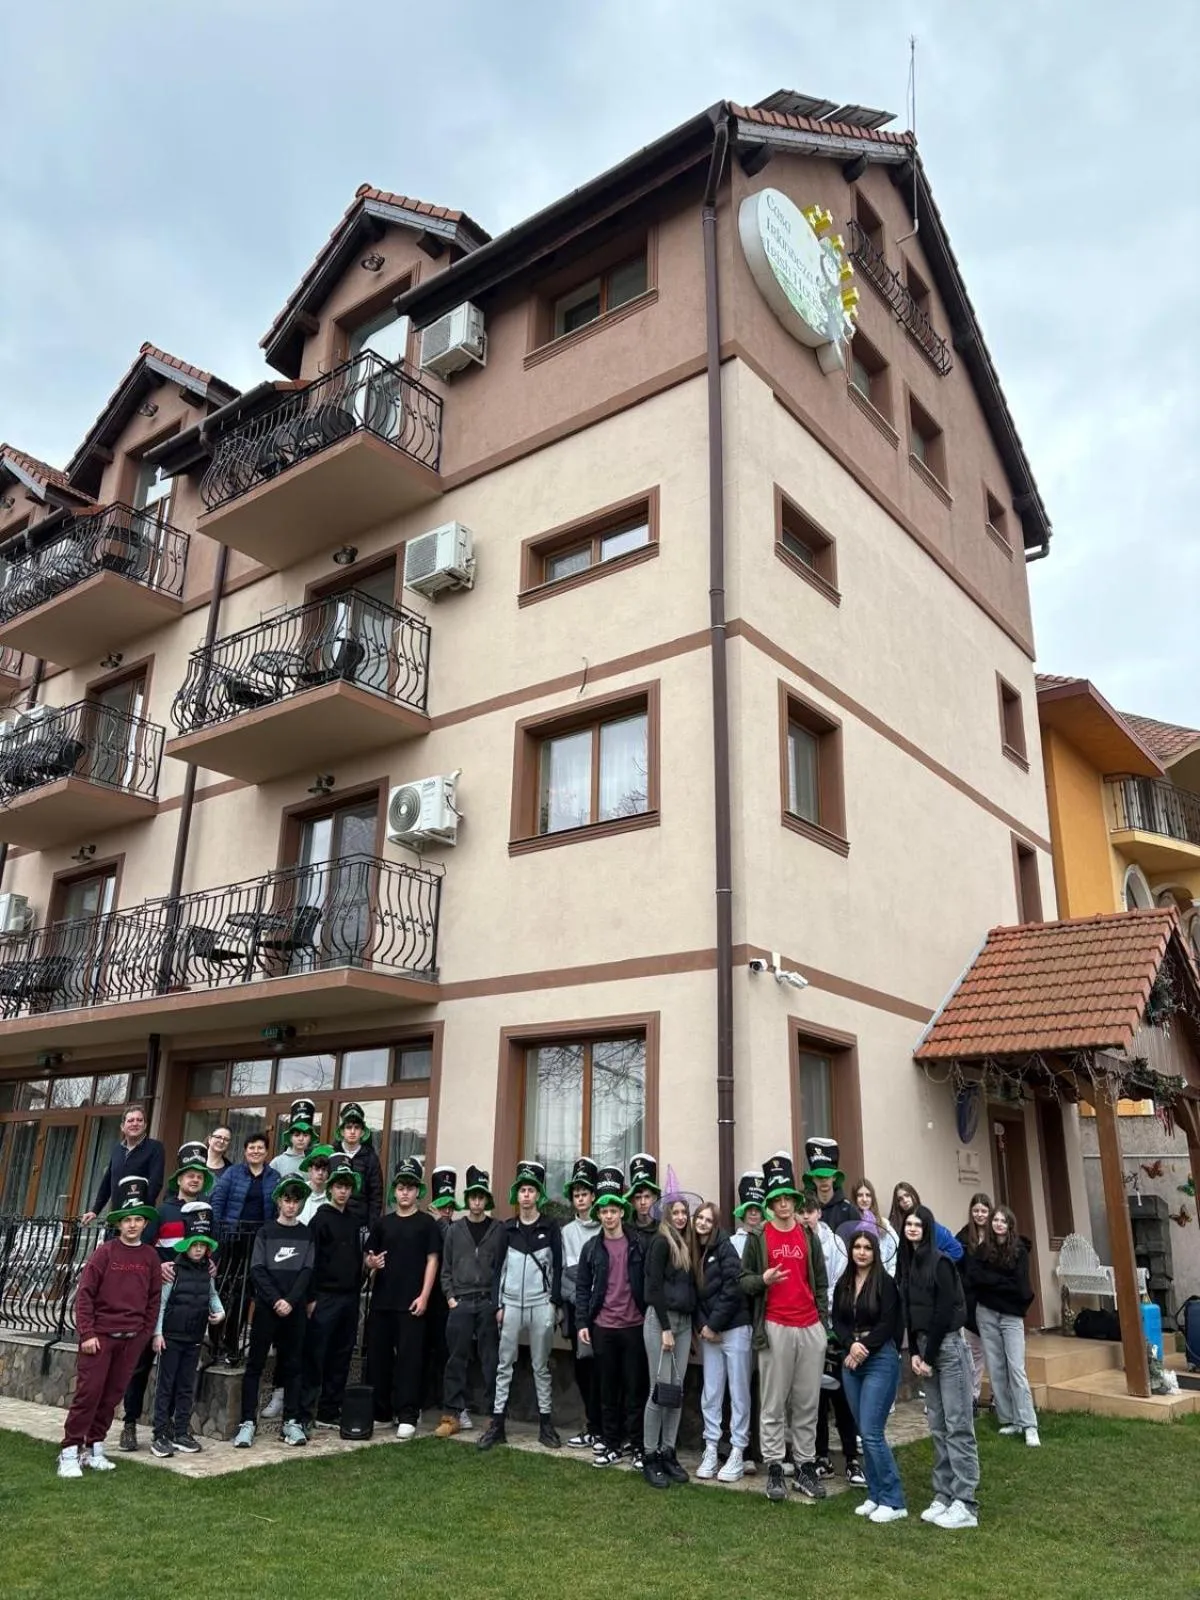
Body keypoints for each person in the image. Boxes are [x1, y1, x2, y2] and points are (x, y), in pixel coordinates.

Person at [739, 1151, 829, 1503]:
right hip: (775, 1325)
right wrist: (762, 1279)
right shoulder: (758, 1237)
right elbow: (743, 1281)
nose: (784, 1204)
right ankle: (775, 1466)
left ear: (794, 1200)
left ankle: (805, 1466)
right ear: (770, 1203)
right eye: (777, 1199)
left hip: (809, 1327)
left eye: (788, 1198)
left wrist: (822, 1323)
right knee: (774, 1403)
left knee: (807, 1402)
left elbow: (820, 1281)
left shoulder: (808, 1236)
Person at [57, 1175, 161, 1479]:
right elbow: (85, 1295)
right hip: (100, 1337)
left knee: (112, 1396)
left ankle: (94, 1447)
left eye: (138, 1219)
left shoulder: (150, 1257)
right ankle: (69, 1451)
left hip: (131, 1339)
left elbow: (153, 1300)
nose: (132, 1225)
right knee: (88, 1394)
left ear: (145, 1223)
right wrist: (87, 1333)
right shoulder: (105, 1252)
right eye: (127, 1219)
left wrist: (143, 1335)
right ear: (118, 1223)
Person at [119, 1140, 213, 1453]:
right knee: (142, 1363)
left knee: (176, 1372)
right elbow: (143, 1248)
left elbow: (208, 1249)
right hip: (157, 1299)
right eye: (189, 1174)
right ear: (179, 1178)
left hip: (187, 1307)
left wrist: (210, 1263)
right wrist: (158, 1267)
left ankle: (171, 1425)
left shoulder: (205, 1213)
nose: (194, 1179)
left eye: (199, 1175)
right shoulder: (162, 1212)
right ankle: (130, 1423)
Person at [899, 1204, 979, 1529]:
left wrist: (929, 1356)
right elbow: (909, 1310)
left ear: (928, 1229)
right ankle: (944, 1494)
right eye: (908, 1224)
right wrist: (915, 1354)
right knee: (937, 1425)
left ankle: (966, 1502)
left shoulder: (941, 1262)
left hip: (947, 1348)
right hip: (924, 1350)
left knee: (958, 1424)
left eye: (918, 1224)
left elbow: (944, 1310)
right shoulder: (907, 1265)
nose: (912, 1228)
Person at [478, 1159, 562, 1453]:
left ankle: (546, 1425)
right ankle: (497, 1425)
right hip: (511, 1303)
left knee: (541, 1366)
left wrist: (553, 1303)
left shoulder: (550, 1227)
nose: (526, 1195)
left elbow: (559, 1268)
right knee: (504, 1365)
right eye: (522, 1190)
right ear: (517, 1194)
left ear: (538, 1194)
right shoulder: (507, 1229)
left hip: (540, 1303)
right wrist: (498, 1304)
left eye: (531, 1190)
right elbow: (497, 1269)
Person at [233, 1175, 315, 1450]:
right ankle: (247, 1422)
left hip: (295, 1309)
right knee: (255, 1364)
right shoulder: (265, 1232)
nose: (291, 1206)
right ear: (279, 1201)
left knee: (293, 1365)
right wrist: (276, 1299)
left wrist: (290, 1301)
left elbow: (307, 1271)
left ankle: (291, 1421)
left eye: (295, 1201)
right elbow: (257, 1269)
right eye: (287, 1200)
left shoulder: (306, 1233)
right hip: (267, 1309)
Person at [575, 1167, 647, 1470]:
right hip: (603, 1327)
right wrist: (582, 1322)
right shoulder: (591, 1248)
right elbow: (582, 1288)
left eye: (613, 1210)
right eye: (604, 1211)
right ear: (599, 1214)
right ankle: (611, 1443)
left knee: (634, 1390)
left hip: (634, 1326)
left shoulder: (638, 1244)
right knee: (607, 1390)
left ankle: (638, 1446)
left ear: (621, 1212)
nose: (608, 1216)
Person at [365, 1157, 442, 1438]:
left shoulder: (427, 1224)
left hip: (412, 1303)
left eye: (410, 1188)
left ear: (417, 1191)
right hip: (383, 1301)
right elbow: (369, 1257)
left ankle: (408, 1414)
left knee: (410, 1360)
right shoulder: (382, 1224)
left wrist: (424, 1296)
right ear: (394, 1191)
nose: (405, 1193)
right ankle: (381, 1412)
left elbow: (433, 1260)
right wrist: (371, 1263)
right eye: (400, 1188)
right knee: (379, 1358)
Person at [834, 1222, 906, 1522]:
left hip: (880, 1359)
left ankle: (894, 1500)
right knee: (864, 1431)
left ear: (875, 1252)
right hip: (852, 1361)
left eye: (867, 1248)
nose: (861, 1252)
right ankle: (875, 1495)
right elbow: (837, 1321)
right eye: (857, 1247)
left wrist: (863, 1347)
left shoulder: (885, 1284)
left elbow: (889, 1324)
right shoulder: (844, 1282)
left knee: (873, 1432)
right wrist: (850, 1346)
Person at [798, 1191, 864, 1488]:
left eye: (809, 1212)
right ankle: (821, 1455)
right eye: (801, 1212)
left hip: (833, 1327)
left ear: (818, 1213)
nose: (805, 1217)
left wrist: (827, 1315)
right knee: (816, 1397)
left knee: (841, 1394)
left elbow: (839, 1282)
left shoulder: (834, 1243)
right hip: (804, 1326)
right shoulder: (795, 1241)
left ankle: (851, 1458)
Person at [150, 1203, 225, 1458]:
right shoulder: (173, 1270)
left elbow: (212, 1296)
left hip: (194, 1338)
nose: (198, 1249)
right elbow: (161, 1304)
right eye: (194, 1245)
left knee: (185, 1386)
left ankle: (180, 1430)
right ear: (186, 1246)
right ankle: (160, 1433)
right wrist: (158, 1334)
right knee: (165, 1387)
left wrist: (220, 1313)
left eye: (203, 1246)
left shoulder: (207, 1272)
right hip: (171, 1337)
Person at [436, 1165, 506, 1438]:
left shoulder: (498, 1230)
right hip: (461, 1301)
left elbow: (503, 1268)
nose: (477, 1201)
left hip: (488, 1301)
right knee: (456, 1359)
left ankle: (493, 1416)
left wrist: (498, 1302)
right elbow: (446, 1268)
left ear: (487, 1200)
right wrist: (450, 1297)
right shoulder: (455, 1230)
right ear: (467, 1199)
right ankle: (452, 1414)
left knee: (491, 1360)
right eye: (473, 1196)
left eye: (481, 1197)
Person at [298, 1155, 365, 1433]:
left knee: (341, 1355)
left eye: (347, 1187)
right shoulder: (320, 1219)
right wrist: (311, 1298)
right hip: (324, 1297)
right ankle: (304, 1412)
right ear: (330, 1188)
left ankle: (329, 1410)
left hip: (349, 1297)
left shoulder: (354, 1221)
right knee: (316, 1355)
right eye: (338, 1186)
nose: (343, 1191)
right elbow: (310, 1261)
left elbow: (357, 1259)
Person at [964, 1204, 1038, 1446]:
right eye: (995, 1220)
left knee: (1016, 1368)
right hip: (986, 1313)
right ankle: (1010, 1419)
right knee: (996, 1368)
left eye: (1003, 1221)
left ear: (1010, 1225)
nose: (998, 1224)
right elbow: (974, 1277)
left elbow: (1019, 1285)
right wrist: (1000, 1281)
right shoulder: (983, 1249)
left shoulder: (1019, 1251)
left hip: (1011, 1315)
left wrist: (991, 1282)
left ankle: (1029, 1424)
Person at [692, 1200, 752, 1484]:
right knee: (711, 1391)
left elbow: (733, 1288)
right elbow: (693, 1293)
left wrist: (714, 1324)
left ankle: (738, 1450)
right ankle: (711, 1447)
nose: (702, 1223)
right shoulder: (693, 1249)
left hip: (735, 1328)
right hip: (709, 1332)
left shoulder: (726, 1247)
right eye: (699, 1218)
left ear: (715, 1224)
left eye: (708, 1219)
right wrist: (704, 1327)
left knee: (739, 1392)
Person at [641, 1194, 696, 1489]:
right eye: (676, 1212)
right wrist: (665, 1328)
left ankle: (668, 1451)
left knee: (676, 1389)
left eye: (684, 1212)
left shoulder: (684, 1245)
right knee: (659, 1390)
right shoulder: (660, 1242)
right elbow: (653, 1288)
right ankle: (650, 1455)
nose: (681, 1217)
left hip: (684, 1324)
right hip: (662, 1322)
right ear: (666, 1215)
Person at [211, 1130, 275, 1363]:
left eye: (260, 1148)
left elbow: (275, 1209)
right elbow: (218, 1202)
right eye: (252, 1147)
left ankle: (232, 1344)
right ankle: (215, 1342)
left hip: (257, 1243)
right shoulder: (233, 1173)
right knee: (223, 1289)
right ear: (245, 1151)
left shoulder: (273, 1176)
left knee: (245, 1294)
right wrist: (220, 1232)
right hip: (231, 1240)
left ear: (266, 1152)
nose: (256, 1151)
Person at [560, 1156, 602, 1449]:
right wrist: (580, 1299)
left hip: (604, 1312)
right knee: (583, 1369)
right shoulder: (566, 1232)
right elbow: (564, 1275)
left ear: (593, 1196)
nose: (580, 1199)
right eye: (576, 1194)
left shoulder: (604, 1228)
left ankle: (606, 1428)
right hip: (579, 1312)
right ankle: (591, 1425)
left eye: (585, 1193)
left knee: (603, 1370)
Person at [81, 1106, 165, 1225]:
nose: (135, 1123)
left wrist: (141, 1212)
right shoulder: (117, 1150)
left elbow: (155, 1183)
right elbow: (107, 1182)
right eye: (130, 1120)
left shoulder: (155, 1148)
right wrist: (95, 1211)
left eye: (139, 1120)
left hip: (139, 1219)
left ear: (145, 1125)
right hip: (117, 1217)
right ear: (122, 1127)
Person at [956, 1192, 993, 1406]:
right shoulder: (963, 1237)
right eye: (976, 1210)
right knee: (974, 1352)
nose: (980, 1214)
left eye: (984, 1211)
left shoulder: (995, 1235)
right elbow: (957, 1266)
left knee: (994, 1353)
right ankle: (972, 1396)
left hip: (992, 1300)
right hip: (970, 1302)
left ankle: (999, 1397)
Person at [333, 1102, 383, 1225]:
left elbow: (376, 1195)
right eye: (348, 1127)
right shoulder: (332, 1153)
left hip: (360, 1222)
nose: (352, 1131)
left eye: (357, 1127)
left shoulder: (371, 1158)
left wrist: (371, 1226)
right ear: (342, 1131)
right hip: (334, 1218)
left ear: (362, 1132)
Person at [889, 1182, 964, 1262]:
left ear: (914, 1195)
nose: (905, 1200)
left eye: (907, 1195)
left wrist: (935, 1263)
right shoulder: (895, 1227)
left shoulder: (931, 1225)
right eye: (900, 1199)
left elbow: (957, 1250)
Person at [802, 1138, 859, 1233]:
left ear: (834, 1177)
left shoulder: (848, 1210)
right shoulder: (804, 1210)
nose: (824, 1180)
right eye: (819, 1177)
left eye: (827, 1176)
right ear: (812, 1179)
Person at [850, 1177, 899, 1275]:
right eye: (860, 1195)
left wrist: (888, 1278)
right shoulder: (849, 1224)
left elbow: (895, 1257)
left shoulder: (884, 1225)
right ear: (855, 1198)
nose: (864, 1199)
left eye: (868, 1195)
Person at [270, 1099, 317, 1179]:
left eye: (305, 1135)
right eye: (296, 1135)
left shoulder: (314, 1162)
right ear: (290, 1137)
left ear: (311, 1138)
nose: (301, 1139)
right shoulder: (278, 1162)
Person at [627, 1151, 662, 1244]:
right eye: (638, 1197)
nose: (643, 1202)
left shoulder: (664, 1228)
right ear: (632, 1201)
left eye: (647, 1196)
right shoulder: (624, 1231)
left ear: (655, 1198)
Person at [730, 1172, 765, 1259]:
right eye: (749, 1208)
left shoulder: (769, 1240)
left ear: (763, 1214)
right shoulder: (731, 1242)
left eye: (757, 1209)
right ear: (743, 1211)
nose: (753, 1213)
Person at [298, 1144, 333, 1224]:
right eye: (317, 1169)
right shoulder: (300, 1191)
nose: (320, 1173)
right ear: (310, 1170)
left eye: (324, 1169)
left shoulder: (332, 1196)